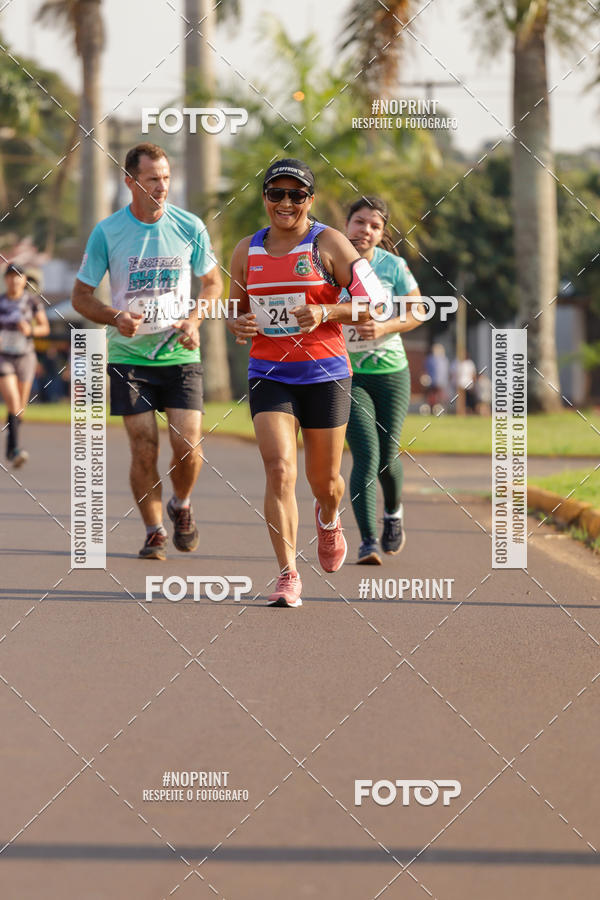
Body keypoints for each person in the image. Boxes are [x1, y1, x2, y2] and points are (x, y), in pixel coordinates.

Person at [227, 159, 384, 608]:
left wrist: (325, 312)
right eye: (277, 193)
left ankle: (329, 517)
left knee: (325, 480)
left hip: (325, 372)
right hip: (269, 372)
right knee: (279, 469)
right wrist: (239, 326)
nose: (286, 203)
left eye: (297, 195)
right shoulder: (246, 251)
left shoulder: (328, 242)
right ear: (264, 198)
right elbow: (237, 309)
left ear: (310, 200)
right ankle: (287, 574)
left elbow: (372, 304)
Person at [72, 142, 222, 560]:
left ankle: (182, 503)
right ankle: (155, 529)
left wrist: (194, 320)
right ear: (130, 182)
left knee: (188, 446)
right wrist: (113, 315)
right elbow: (81, 296)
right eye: (153, 178)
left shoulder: (189, 226)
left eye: (166, 177)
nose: (162, 186)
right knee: (143, 446)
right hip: (129, 357)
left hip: (179, 353)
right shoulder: (108, 232)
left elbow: (212, 283)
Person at [342, 196, 423, 565]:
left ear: (382, 234)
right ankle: (368, 541)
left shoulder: (393, 266)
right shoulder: (327, 262)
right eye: (360, 222)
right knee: (366, 455)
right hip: (347, 374)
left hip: (391, 373)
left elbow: (418, 310)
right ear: (347, 225)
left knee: (388, 457)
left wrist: (386, 325)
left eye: (374, 226)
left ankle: (393, 513)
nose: (365, 231)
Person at [0, 262, 50, 466]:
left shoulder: (32, 302)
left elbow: (44, 328)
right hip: (4, 357)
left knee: (20, 407)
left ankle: (12, 445)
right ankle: (14, 449)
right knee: (11, 399)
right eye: (10, 276)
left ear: (24, 280)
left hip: (25, 356)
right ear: (5, 280)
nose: (14, 280)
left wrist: (30, 330)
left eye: (18, 276)